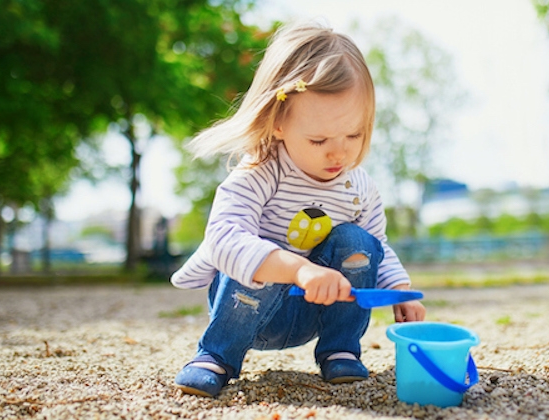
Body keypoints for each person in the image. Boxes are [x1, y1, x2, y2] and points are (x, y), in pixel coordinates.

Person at [170, 21, 427, 398]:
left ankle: (340, 348)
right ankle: (216, 355)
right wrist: (299, 268)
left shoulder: (359, 187)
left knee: (358, 240)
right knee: (260, 250)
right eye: (319, 139)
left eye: (354, 135)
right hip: (248, 309)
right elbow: (223, 239)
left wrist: (399, 289)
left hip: (315, 313)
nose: (339, 152)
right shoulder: (260, 172)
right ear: (277, 123)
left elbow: (379, 247)